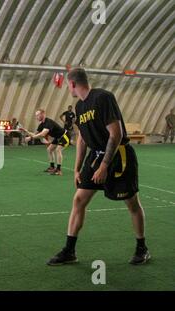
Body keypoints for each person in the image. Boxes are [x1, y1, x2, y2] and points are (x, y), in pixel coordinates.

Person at [47, 67, 150, 266]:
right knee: (78, 200)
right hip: (95, 156)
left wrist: (104, 166)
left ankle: (142, 248)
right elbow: (82, 140)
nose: (68, 88)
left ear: (72, 84)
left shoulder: (103, 98)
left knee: (131, 203)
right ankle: (69, 251)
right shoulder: (79, 107)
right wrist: (77, 169)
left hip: (119, 156)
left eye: (68, 85)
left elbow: (116, 134)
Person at [25, 109, 69, 175]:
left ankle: (59, 170)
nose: (36, 117)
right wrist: (26, 131)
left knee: (58, 150)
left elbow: (42, 134)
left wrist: (30, 138)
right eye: (36, 115)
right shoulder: (41, 125)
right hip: (57, 138)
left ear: (43, 114)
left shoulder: (48, 122)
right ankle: (52, 167)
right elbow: (35, 134)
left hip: (64, 136)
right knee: (49, 149)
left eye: (38, 115)